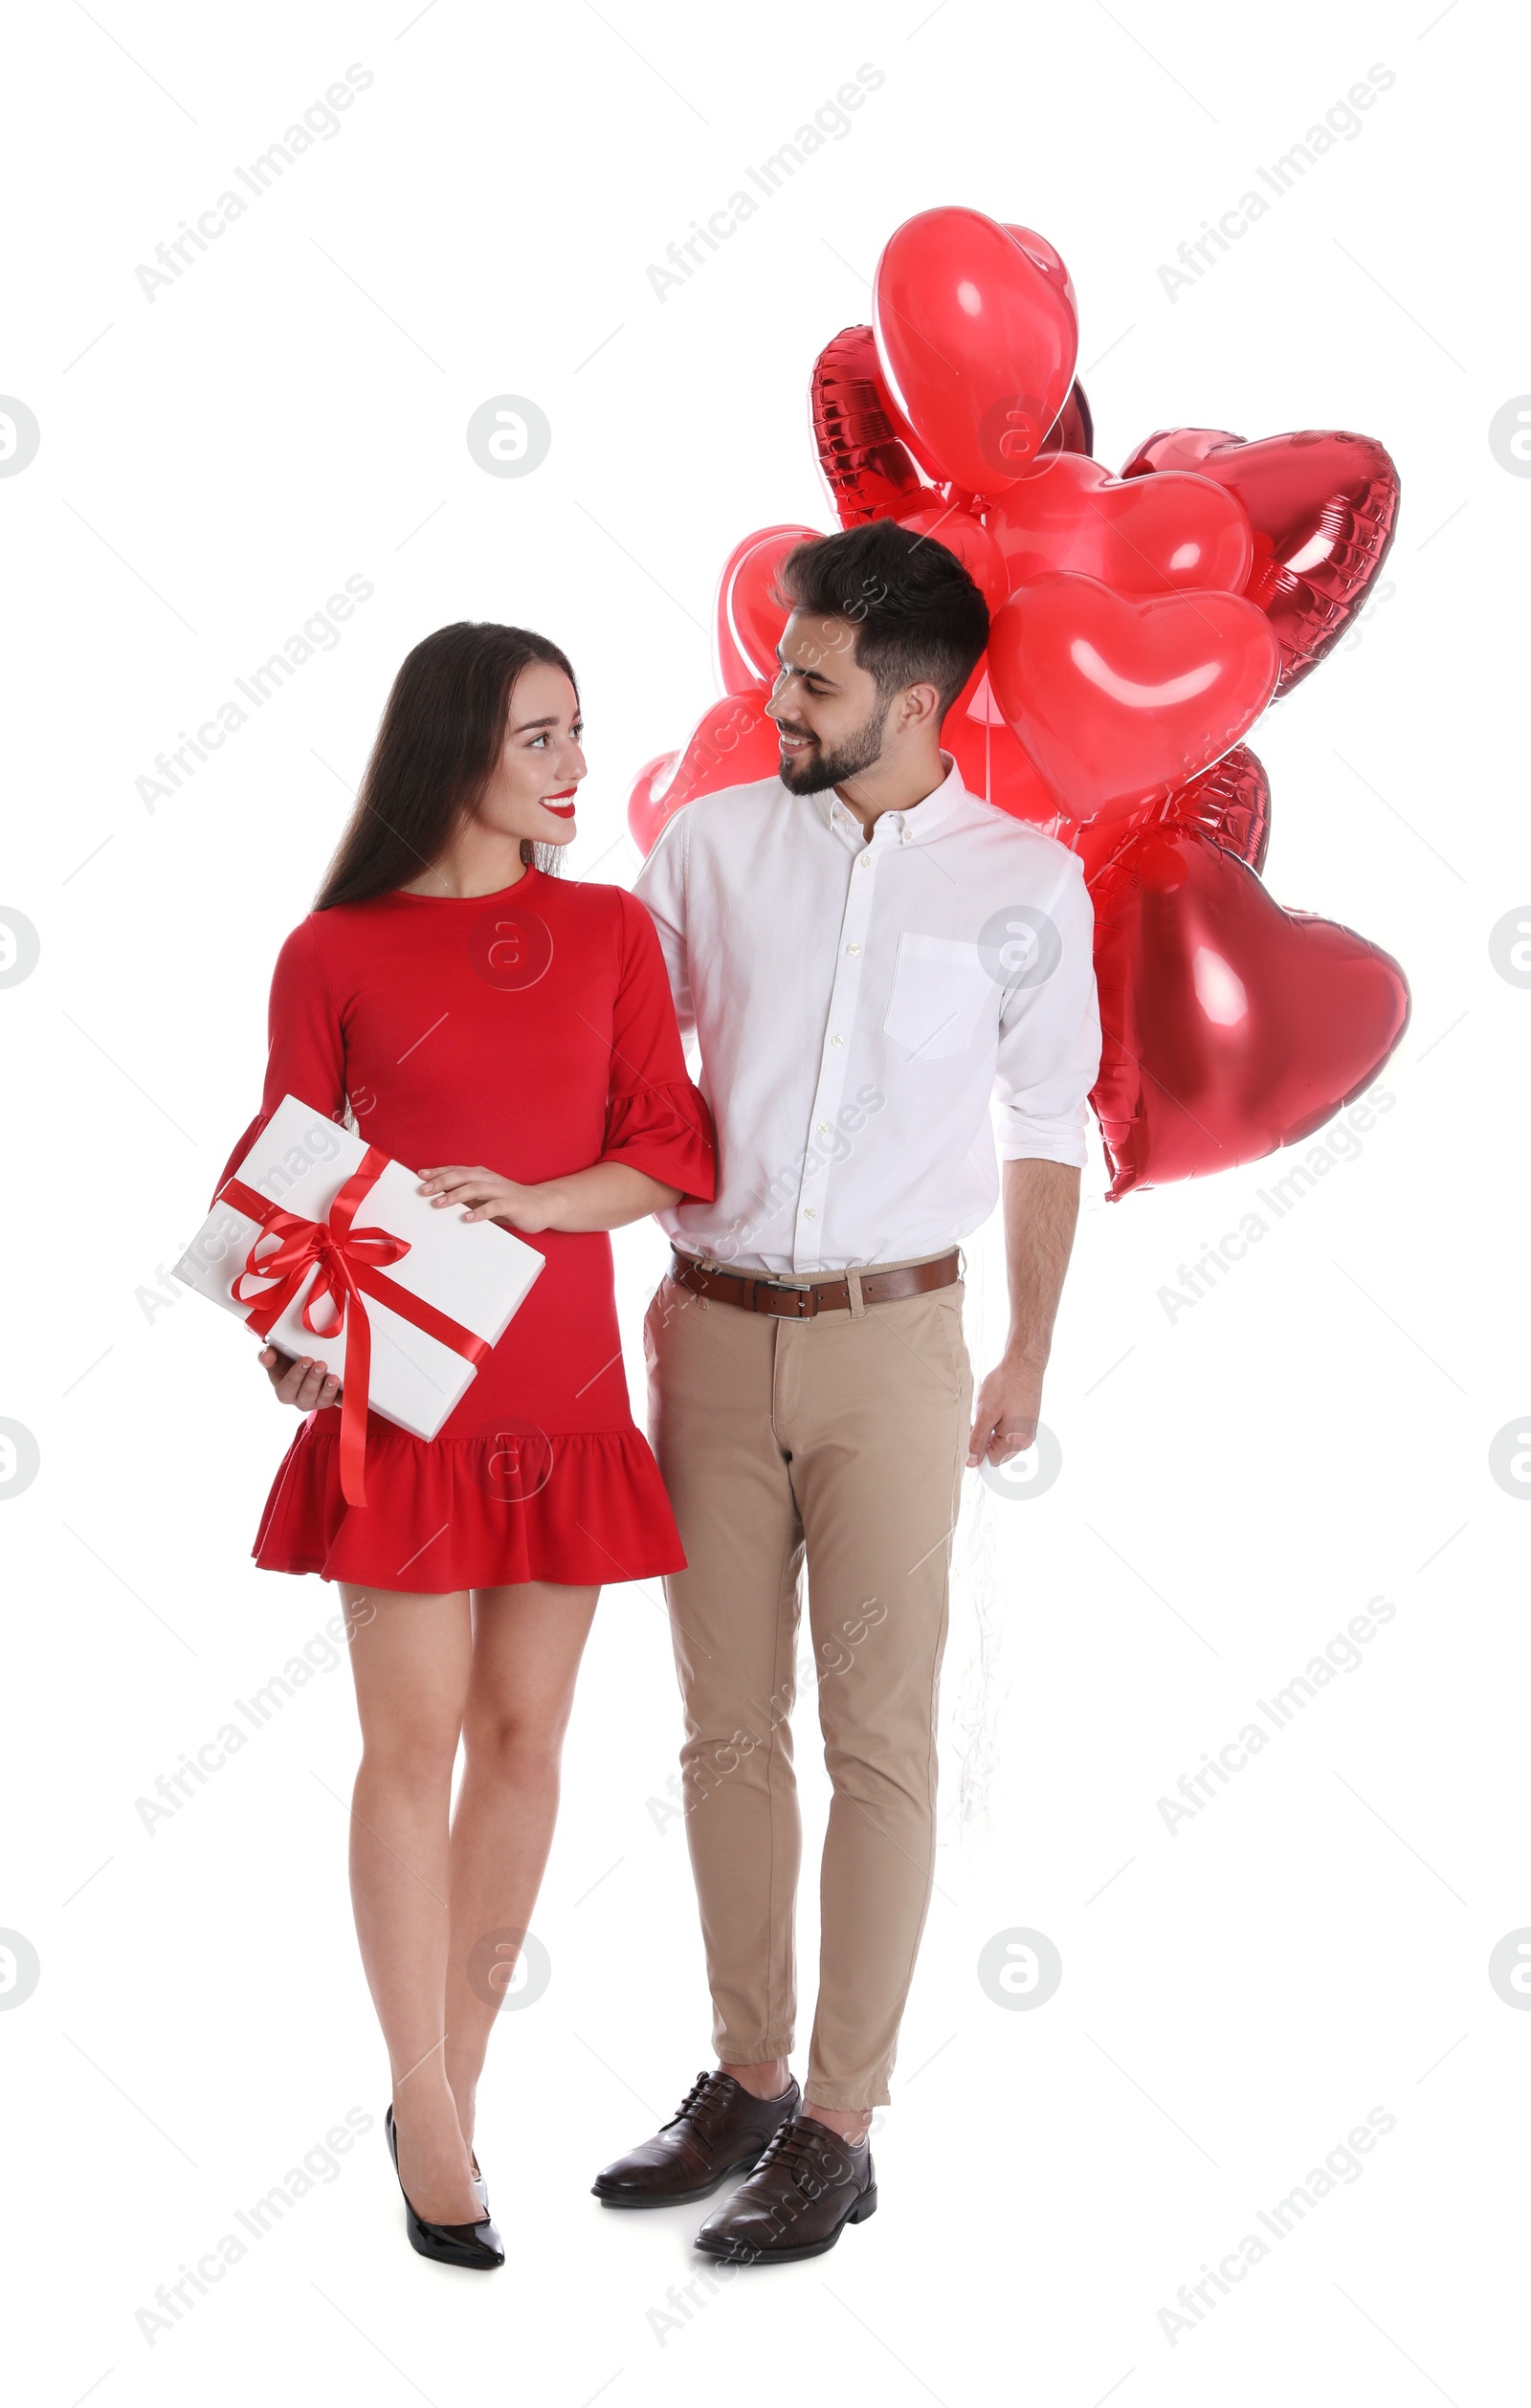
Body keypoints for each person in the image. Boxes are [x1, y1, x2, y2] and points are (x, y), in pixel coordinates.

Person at [592, 519, 1100, 2262]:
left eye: (811, 675)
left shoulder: (1025, 885)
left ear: (915, 692)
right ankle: (739, 2076)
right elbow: (608, 1067)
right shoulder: (712, 846)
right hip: (709, 1333)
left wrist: (1029, 1344)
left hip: (899, 1343)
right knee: (722, 1729)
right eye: (780, 662)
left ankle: (839, 2119)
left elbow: (1049, 1122)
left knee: (878, 1739)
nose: (776, 694)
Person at [223, 623, 715, 2269]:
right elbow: (285, 1185)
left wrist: (532, 1202)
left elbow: (668, 1145)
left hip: (563, 1397)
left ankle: (466, 2076)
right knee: (407, 1743)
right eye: (541, 738)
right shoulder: (332, 952)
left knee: (523, 1743)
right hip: (406, 1408)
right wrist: (296, 1341)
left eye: (580, 733)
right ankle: (420, 2100)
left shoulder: (610, 933)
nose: (576, 766)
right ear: (460, 754)